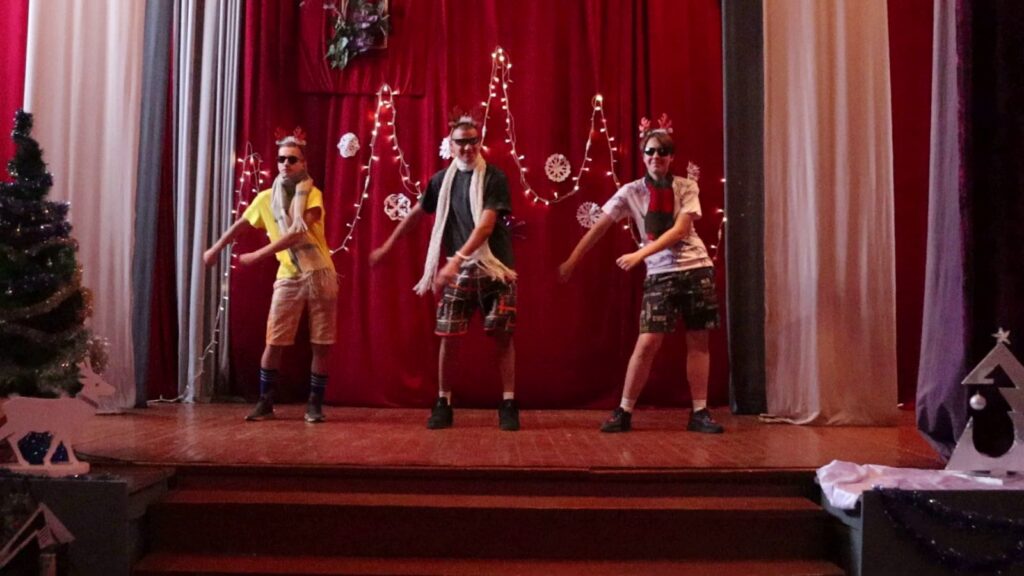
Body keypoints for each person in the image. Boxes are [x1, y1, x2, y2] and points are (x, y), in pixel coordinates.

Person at [558, 120, 724, 434]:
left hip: (695, 268)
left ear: (671, 156)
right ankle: (624, 410)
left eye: (663, 151)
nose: (656, 156)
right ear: (643, 155)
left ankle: (700, 412)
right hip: (660, 274)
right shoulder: (631, 192)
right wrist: (572, 260)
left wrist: (639, 255)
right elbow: (599, 228)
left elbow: (680, 230)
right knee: (647, 342)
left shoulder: (686, 187)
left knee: (698, 340)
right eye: (650, 151)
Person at [369, 113, 520, 431]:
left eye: (473, 141)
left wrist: (454, 261)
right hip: (460, 268)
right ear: (450, 146)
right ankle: (443, 402)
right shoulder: (440, 181)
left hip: (495, 268)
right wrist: (387, 245)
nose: (467, 147)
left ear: (479, 142)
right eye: (461, 142)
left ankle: (508, 403)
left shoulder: (494, 177)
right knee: (448, 336)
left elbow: (486, 225)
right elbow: (416, 214)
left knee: (503, 336)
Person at [203, 129, 337, 423]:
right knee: (274, 340)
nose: (286, 164)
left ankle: (314, 404)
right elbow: (240, 224)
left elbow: (297, 232)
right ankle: (265, 402)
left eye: (292, 159)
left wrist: (257, 255)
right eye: (281, 159)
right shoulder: (266, 198)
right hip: (288, 276)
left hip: (319, 273)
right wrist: (215, 248)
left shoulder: (312, 194)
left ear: (303, 163)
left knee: (321, 343)